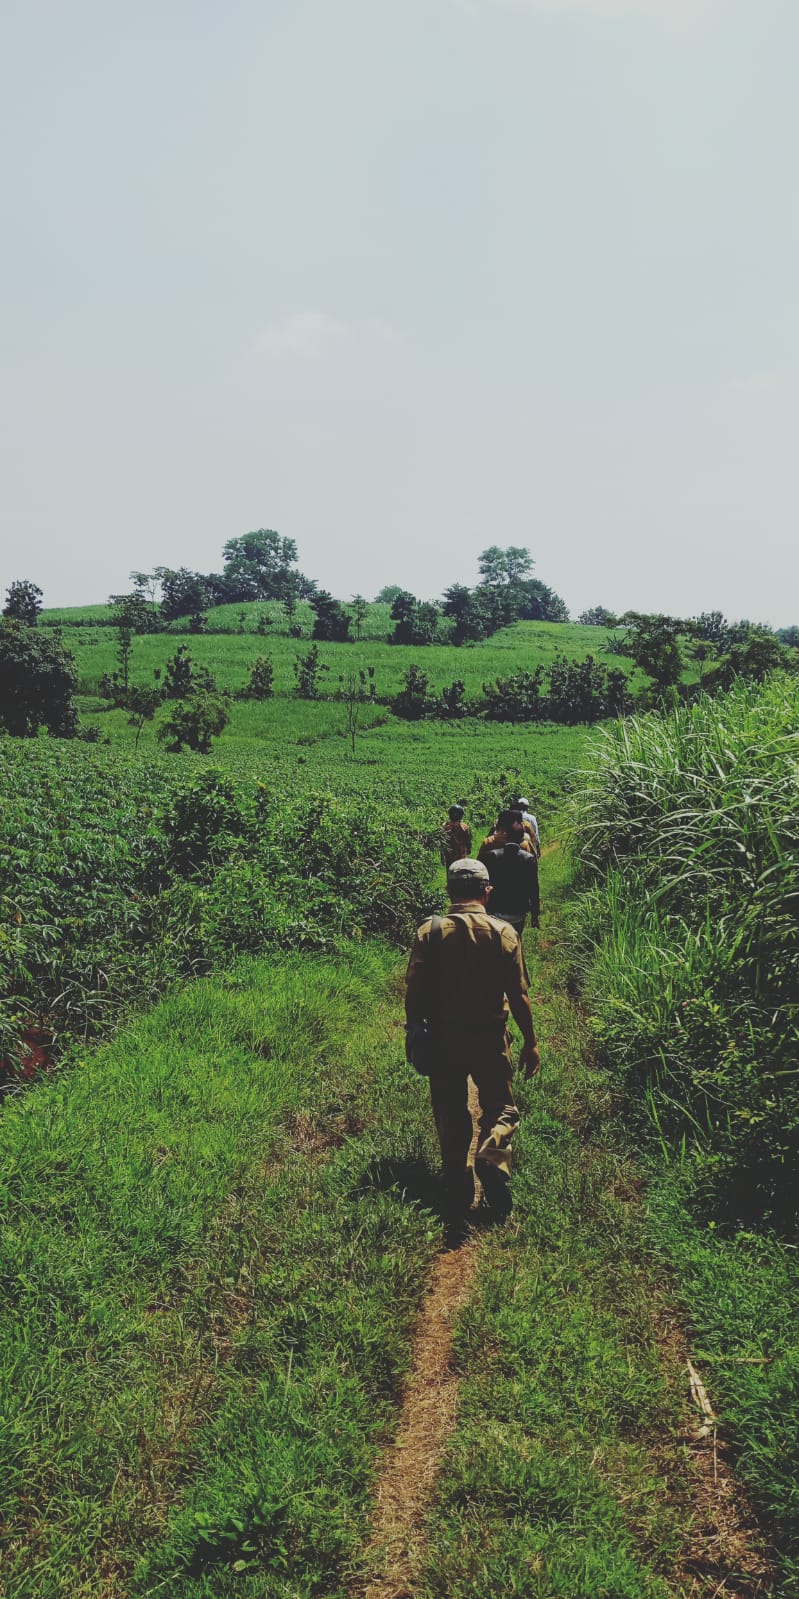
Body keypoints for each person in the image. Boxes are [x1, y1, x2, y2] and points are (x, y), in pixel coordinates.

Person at [405, 857, 540, 1221]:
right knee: (501, 1109)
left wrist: (414, 1029)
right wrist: (530, 1041)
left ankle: (458, 1182)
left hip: (444, 1039)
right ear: (487, 891)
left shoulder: (429, 932)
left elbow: (414, 992)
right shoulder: (502, 933)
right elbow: (519, 994)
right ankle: (491, 1154)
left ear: (449, 891)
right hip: (490, 1038)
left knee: (450, 1111)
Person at [483, 837, 540, 933]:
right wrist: (535, 913)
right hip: (518, 912)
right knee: (516, 940)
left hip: (496, 911)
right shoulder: (528, 858)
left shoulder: (492, 856)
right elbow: (533, 889)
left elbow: (486, 885)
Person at [440, 803, 472, 868]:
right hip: (462, 857)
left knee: (450, 874)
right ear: (461, 816)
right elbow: (468, 841)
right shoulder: (465, 827)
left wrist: (442, 856)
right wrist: (468, 850)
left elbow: (442, 844)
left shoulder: (445, 827)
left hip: (449, 857)